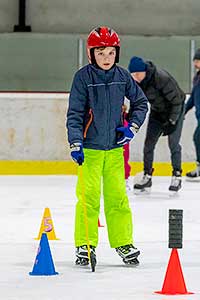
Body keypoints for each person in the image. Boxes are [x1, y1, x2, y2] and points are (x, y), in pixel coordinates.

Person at [67, 27, 148, 266]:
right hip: (89, 150)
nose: (106, 58)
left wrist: (131, 127)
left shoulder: (123, 77)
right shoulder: (83, 78)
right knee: (88, 198)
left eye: (111, 53)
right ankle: (85, 244)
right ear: (91, 54)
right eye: (100, 53)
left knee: (117, 198)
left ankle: (123, 242)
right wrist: (75, 142)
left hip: (114, 149)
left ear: (117, 53)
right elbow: (75, 113)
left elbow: (141, 103)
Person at [128, 56, 185, 193]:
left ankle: (176, 175)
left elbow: (177, 101)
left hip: (175, 109)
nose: (135, 77)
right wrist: (130, 117)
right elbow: (137, 102)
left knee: (173, 143)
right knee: (149, 144)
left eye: (137, 74)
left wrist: (172, 121)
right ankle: (147, 176)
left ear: (144, 71)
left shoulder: (161, 78)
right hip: (157, 112)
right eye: (133, 75)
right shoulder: (136, 83)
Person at [185, 48, 200, 180]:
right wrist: (183, 111)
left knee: (197, 137)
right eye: (195, 61)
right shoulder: (197, 78)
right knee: (197, 138)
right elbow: (193, 98)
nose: (195, 63)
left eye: (198, 61)